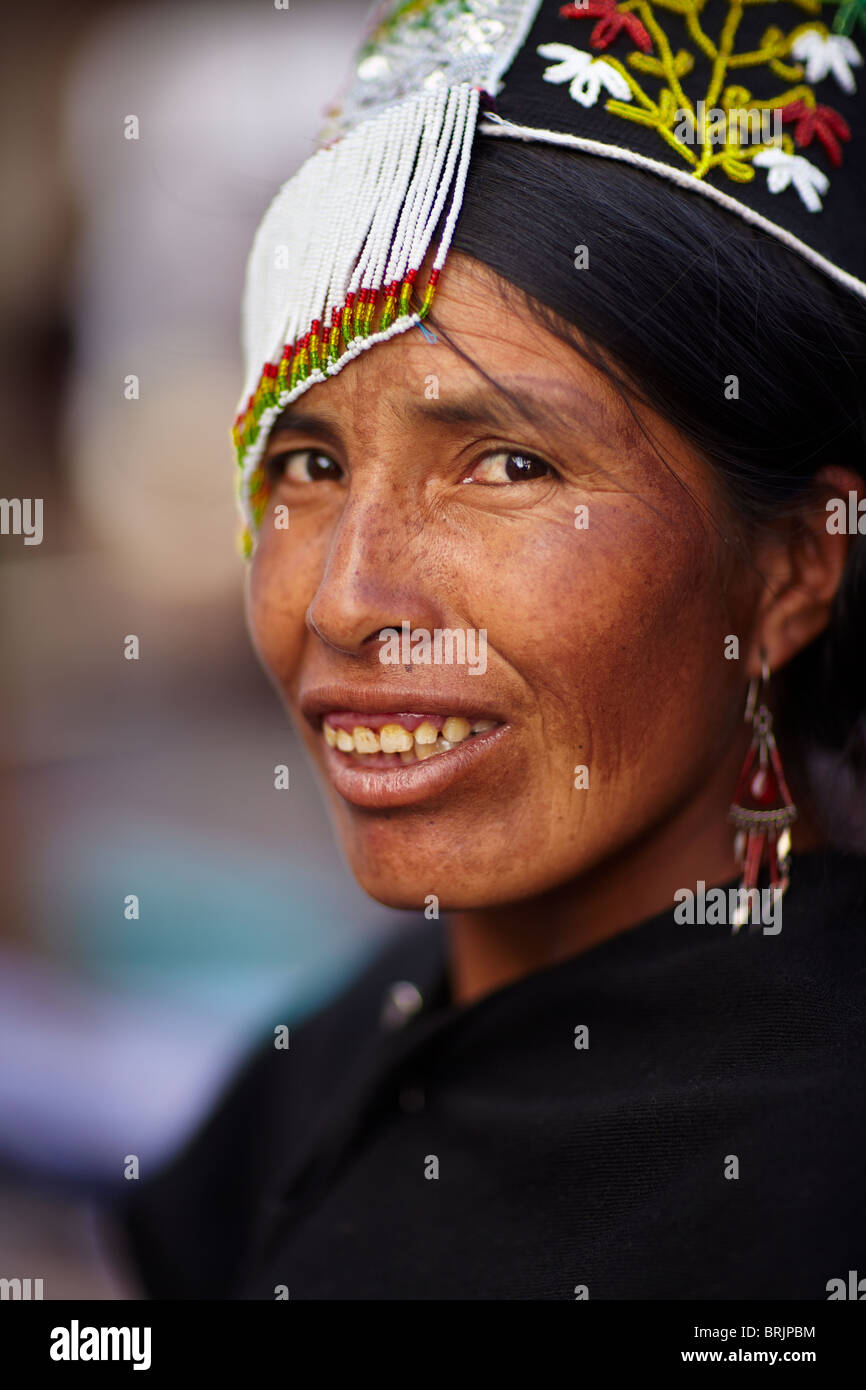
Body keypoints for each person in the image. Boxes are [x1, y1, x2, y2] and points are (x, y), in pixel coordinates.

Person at [116, 0, 866, 1298]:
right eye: (307, 461)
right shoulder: (339, 1050)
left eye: (506, 465)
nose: (346, 597)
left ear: (793, 566)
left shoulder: (807, 1192)